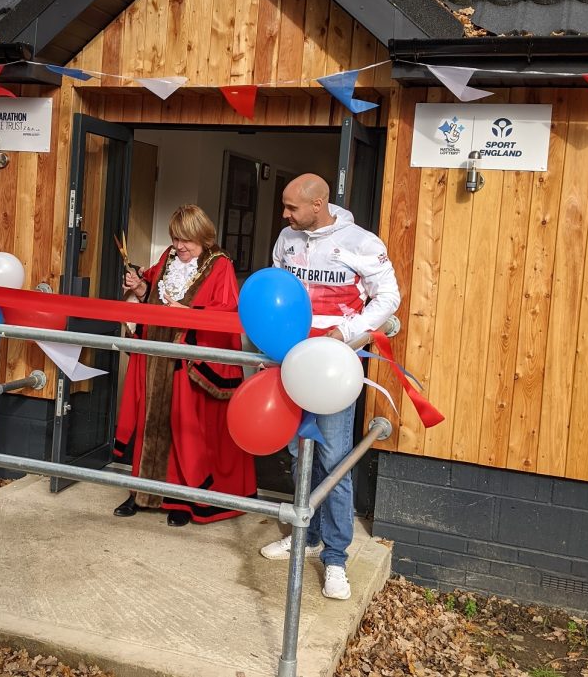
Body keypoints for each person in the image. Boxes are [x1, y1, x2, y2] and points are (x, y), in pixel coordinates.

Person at [259, 174, 400, 601]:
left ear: (318, 204)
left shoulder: (361, 242)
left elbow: (389, 297)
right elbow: (277, 289)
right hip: (290, 360)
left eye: (291, 207)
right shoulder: (287, 237)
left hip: (335, 366)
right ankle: (309, 537)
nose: (284, 215)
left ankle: (336, 558)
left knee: (335, 458)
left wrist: (346, 331)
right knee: (299, 450)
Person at [113, 204, 256, 526]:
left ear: (203, 237)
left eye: (186, 240)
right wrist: (139, 288)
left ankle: (181, 500)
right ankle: (142, 491)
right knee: (151, 421)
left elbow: (228, 312)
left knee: (183, 430)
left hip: (188, 359)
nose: (179, 246)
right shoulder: (166, 259)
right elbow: (153, 293)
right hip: (156, 355)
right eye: (175, 239)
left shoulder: (220, 266)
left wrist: (190, 315)